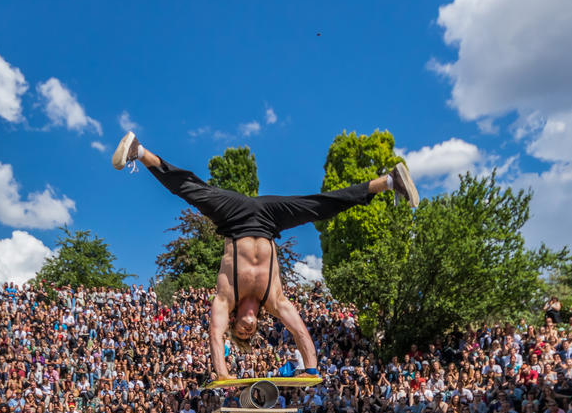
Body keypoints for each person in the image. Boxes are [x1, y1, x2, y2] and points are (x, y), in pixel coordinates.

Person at [112, 130, 419, 379]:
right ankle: (389, 181)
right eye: (251, 333)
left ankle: (138, 150)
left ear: (234, 323)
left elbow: (216, 336)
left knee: (193, 190)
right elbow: (299, 328)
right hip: (270, 220)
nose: (247, 330)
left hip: (234, 219)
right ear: (257, 323)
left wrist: (223, 374)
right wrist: (311, 368)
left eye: (241, 333)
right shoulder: (273, 300)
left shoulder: (225, 300)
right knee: (320, 206)